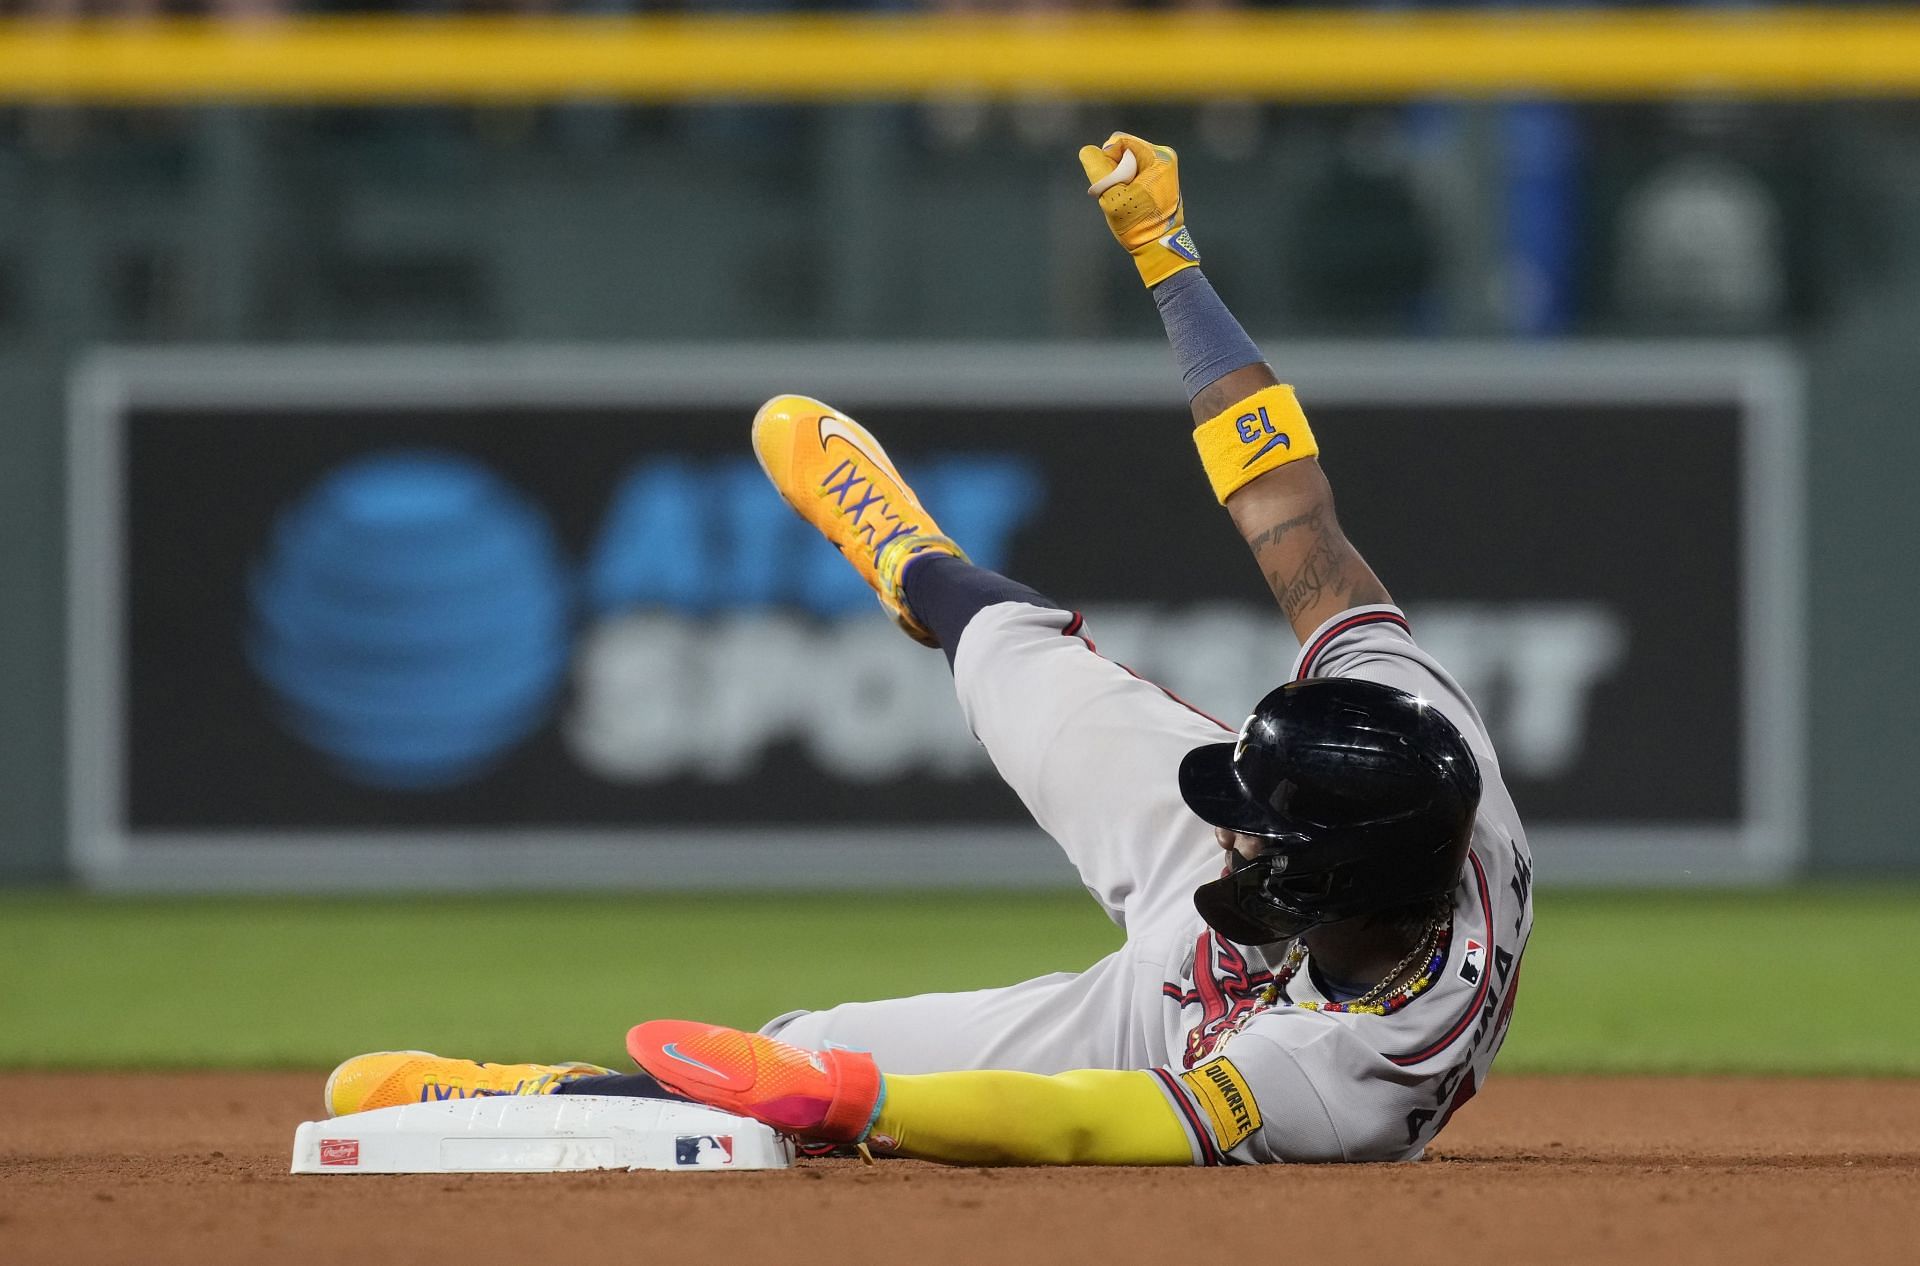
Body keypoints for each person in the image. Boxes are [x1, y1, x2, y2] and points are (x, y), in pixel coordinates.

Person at [324, 132, 1534, 1166]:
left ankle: (522, 1099)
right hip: (1287, 924)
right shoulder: (1414, 737)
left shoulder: (1348, 1074)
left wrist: (861, 1101)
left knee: (800, 1060)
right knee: (1021, 662)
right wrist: (1173, 265)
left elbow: (1085, 1127)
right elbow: (1288, 511)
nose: (1227, 813)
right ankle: (911, 560)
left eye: (1255, 822)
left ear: (1319, 877)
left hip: (1171, 1036)